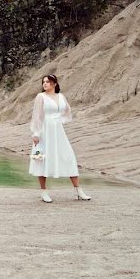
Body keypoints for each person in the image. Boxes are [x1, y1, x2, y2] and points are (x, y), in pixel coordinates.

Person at [29, 74, 91, 203]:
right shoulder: (40, 97)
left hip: (58, 131)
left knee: (68, 156)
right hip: (45, 131)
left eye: (48, 82)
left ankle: (78, 190)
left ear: (55, 84)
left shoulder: (61, 96)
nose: (45, 84)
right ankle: (44, 191)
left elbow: (67, 111)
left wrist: (59, 120)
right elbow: (37, 116)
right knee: (42, 159)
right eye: (43, 82)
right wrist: (36, 133)